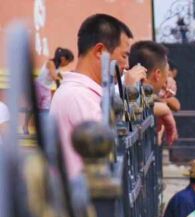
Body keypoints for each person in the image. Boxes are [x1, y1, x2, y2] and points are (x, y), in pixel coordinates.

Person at [50, 14, 133, 177]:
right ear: (100, 51)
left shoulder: (83, 92)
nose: (127, 65)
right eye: (124, 56)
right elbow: (110, 153)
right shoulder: (80, 96)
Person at [129, 40, 177, 145]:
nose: (167, 80)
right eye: (166, 74)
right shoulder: (126, 88)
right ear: (158, 74)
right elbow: (132, 114)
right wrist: (165, 109)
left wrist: (164, 109)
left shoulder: (138, 88)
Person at [34, 48, 74, 119]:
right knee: (34, 107)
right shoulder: (50, 63)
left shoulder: (58, 67)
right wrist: (62, 81)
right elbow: (54, 76)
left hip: (47, 89)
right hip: (39, 87)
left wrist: (69, 77)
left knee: (46, 109)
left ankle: (43, 126)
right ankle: (25, 126)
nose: (67, 64)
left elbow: (60, 76)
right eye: (68, 62)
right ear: (63, 59)